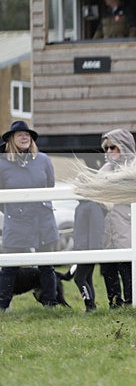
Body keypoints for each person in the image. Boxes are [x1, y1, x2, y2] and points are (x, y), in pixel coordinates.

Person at [0, 120, 60, 311]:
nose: (25, 137)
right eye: (20, 134)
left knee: (46, 265)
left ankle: (50, 305)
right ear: (11, 139)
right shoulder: (2, 163)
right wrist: (14, 211)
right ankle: (2, 306)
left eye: (28, 135)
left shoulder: (43, 160)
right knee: (9, 266)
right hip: (16, 221)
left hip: (43, 219)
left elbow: (50, 186)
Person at [99, 129, 136, 307]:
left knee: (127, 268)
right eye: (106, 148)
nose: (109, 152)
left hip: (127, 228)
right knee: (108, 269)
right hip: (108, 230)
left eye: (113, 147)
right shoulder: (103, 170)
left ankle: (132, 302)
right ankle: (114, 302)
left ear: (124, 147)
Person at [71, 198, 106, 312]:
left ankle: (90, 305)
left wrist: (94, 251)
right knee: (87, 278)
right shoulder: (82, 206)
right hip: (82, 249)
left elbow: (96, 230)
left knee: (79, 278)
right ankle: (91, 306)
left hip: (88, 249)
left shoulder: (92, 207)